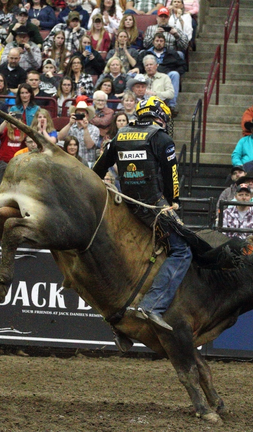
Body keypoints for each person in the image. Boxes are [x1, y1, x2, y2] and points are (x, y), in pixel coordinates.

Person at [92, 96, 190, 337]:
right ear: (160, 116)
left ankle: (119, 321)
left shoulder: (120, 136)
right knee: (183, 249)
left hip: (127, 206)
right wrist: (174, 202)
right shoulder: (161, 138)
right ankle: (153, 305)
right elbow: (172, 177)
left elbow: (97, 170)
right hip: (153, 206)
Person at [58, 98, 101, 166]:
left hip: (88, 163)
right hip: (70, 161)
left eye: (82, 114)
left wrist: (85, 128)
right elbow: (59, 137)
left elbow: (89, 145)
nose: (80, 116)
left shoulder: (94, 129)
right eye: (78, 114)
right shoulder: (71, 127)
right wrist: (70, 124)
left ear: (87, 115)